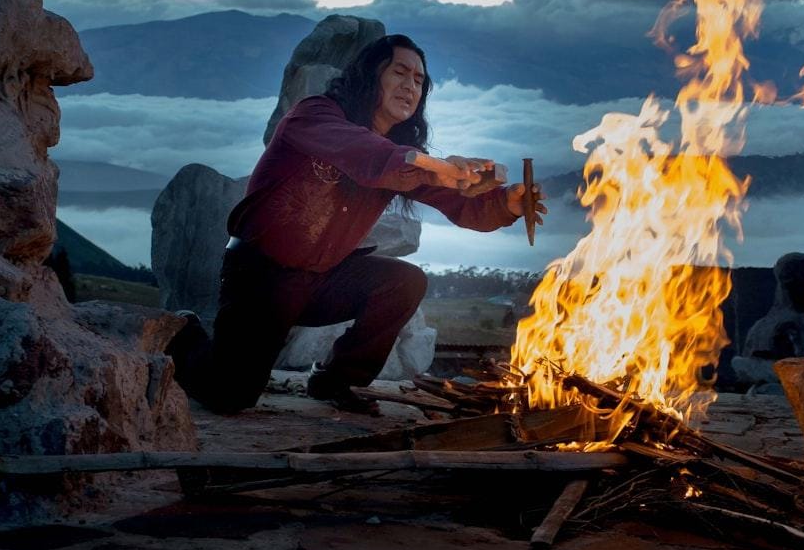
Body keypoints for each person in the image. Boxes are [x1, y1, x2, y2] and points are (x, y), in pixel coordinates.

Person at [168, 34, 545, 414]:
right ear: (370, 75)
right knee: (229, 396)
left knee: (404, 282)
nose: (410, 86)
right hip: (261, 278)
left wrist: (506, 203)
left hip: (323, 279)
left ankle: (337, 381)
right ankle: (183, 332)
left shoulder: (400, 152)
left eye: (418, 80)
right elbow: (365, 154)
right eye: (399, 72)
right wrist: (438, 169)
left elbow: (463, 207)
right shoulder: (315, 116)